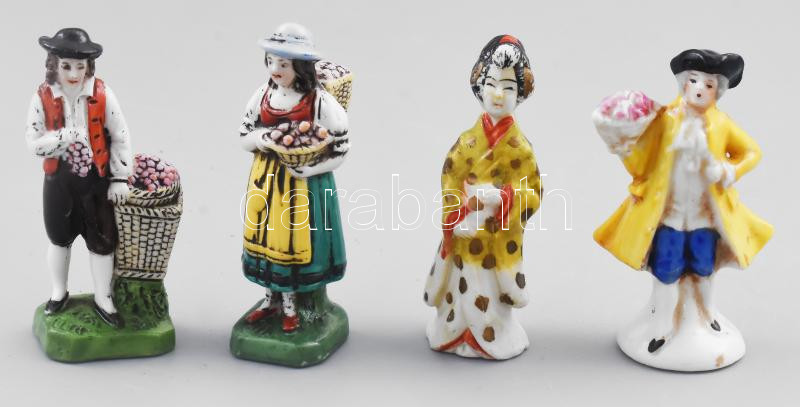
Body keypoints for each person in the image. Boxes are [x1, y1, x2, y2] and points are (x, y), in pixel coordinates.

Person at [593, 49, 773, 369]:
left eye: (709, 84)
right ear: (682, 83)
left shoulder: (720, 124)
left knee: (704, 267)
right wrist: (622, 146)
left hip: (704, 216)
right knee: (666, 268)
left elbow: (752, 152)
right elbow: (641, 164)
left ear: (718, 91)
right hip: (670, 216)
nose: (700, 89)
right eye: (694, 80)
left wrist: (729, 171)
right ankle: (662, 325)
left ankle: (706, 314)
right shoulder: (665, 120)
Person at [424, 35, 542, 360]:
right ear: (479, 87)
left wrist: (502, 197)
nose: (498, 94)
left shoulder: (521, 149)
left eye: (508, 87)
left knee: (488, 287)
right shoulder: (466, 143)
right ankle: (453, 332)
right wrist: (457, 215)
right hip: (464, 232)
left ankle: (493, 335)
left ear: (520, 93)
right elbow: (449, 179)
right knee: (459, 284)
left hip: (494, 238)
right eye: (491, 84)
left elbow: (533, 193)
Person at [237, 23, 349, 333]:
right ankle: (269, 300)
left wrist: (310, 169)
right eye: (271, 61)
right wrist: (265, 139)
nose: (275, 69)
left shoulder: (320, 102)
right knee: (266, 241)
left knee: (290, 243)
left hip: (302, 187)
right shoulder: (264, 94)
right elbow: (244, 135)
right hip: (266, 182)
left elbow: (340, 149)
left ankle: (292, 306)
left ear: (300, 67)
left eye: (283, 64)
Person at [25, 28, 133, 327]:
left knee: (103, 240)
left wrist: (119, 178)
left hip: (96, 179)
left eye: (80, 66)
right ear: (54, 65)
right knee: (58, 238)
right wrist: (62, 138)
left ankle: (103, 297)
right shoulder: (42, 96)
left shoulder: (102, 94)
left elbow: (120, 135)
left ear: (89, 66)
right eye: (66, 66)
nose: (73, 74)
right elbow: (33, 143)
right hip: (59, 179)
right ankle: (59, 292)